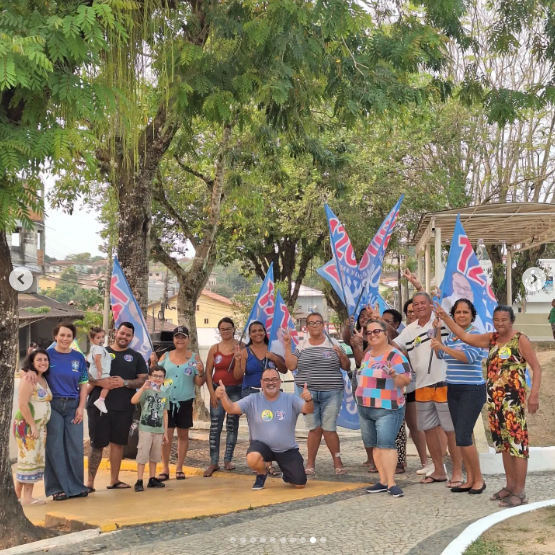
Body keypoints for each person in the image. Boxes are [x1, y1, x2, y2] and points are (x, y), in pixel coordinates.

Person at [434, 303, 542, 507]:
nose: (500, 323)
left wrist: (533, 394)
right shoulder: (491, 339)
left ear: (511, 321)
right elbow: (465, 337)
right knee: (503, 444)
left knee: (517, 445)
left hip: (513, 402)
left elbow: (536, 367)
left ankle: (520, 490)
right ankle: (509, 486)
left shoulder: (520, 339)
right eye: (496, 320)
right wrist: (445, 318)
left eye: (504, 320)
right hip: (495, 402)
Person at [392, 292, 464, 487]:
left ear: (430, 304)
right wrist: (377, 327)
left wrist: (419, 286)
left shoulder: (439, 320)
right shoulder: (409, 330)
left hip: (444, 382)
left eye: (423, 303)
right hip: (422, 385)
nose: (419, 306)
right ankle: (439, 470)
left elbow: (457, 331)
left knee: (450, 430)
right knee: (429, 429)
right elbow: (393, 346)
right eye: (416, 304)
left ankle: (457, 471)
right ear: (412, 308)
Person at [215, 368, 314, 490]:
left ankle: (287, 474)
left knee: (300, 484)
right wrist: (223, 396)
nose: (270, 383)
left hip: (286, 449)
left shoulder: (290, 399)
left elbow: (308, 409)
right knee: (253, 456)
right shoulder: (252, 399)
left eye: (274, 379)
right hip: (262, 446)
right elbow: (231, 409)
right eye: (266, 380)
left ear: (279, 382)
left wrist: (309, 399)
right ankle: (261, 473)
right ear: (261, 383)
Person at [430, 299, 487, 494]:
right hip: (453, 388)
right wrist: (438, 331)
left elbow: (468, 358)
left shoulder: (475, 334)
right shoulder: (453, 337)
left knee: (462, 435)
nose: (461, 315)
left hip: (471, 390)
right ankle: (470, 479)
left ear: (472, 315)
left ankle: (479, 479)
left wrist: (444, 347)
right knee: (462, 436)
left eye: (465, 312)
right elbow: (439, 355)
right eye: (458, 312)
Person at [284, 312, 350, 475]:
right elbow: (291, 366)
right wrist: (286, 346)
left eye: (318, 322)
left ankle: (337, 461)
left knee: (329, 428)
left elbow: (347, 366)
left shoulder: (333, 342)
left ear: (323, 325)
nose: (314, 325)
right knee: (314, 428)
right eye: (311, 323)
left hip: (332, 392)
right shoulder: (302, 345)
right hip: (308, 394)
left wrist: (340, 353)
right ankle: (310, 462)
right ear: (306, 327)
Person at [86, 322, 148, 491]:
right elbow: (86, 375)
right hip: (98, 406)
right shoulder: (101, 351)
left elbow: (143, 379)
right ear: (116, 332)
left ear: (132, 338)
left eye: (128, 335)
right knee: (96, 444)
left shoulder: (136, 357)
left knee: (118, 443)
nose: (124, 337)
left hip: (123, 407)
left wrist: (125, 382)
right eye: (122, 333)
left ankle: (114, 480)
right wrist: (101, 381)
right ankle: (89, 483)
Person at [356, 320, 411, 497]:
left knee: (386, 444)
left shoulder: (395, 356)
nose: (372, 335)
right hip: (365, 408)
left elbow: (406, 381)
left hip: (388, 408)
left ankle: (392, 483)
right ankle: (382, 480)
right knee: (374, 446)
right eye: (369, 333)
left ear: (386, 333)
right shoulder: (368, 355)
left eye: (376, 331)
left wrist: (394, 374)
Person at [43, 323, 89, 500]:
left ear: (73, 338)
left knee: (75, 447)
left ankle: (77, 487)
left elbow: (83, 384)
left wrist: (80, 408)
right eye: (62, 335)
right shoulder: (47, 355)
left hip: (73, 407)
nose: (65, 339)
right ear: (55, 336)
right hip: (52, 405)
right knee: (55, 448)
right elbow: (31, 372)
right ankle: (57, 489)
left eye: (69, 336)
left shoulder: (78, 357)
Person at [156, 326, 205, 481]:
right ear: (173, 340)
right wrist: (152, 364)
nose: (180, 340)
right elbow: (156, 376)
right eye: (177, 337)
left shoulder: (194, 358)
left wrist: (201, 372)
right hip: (167, 401)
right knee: (167, 436)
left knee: (183, 434)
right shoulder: (165, 356)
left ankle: (179, 467)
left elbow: (199, 382)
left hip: (185, 401)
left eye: (183, 337)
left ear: (188, 339)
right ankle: (165, 467)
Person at [204, 317, 242, 477]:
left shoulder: (241, 347)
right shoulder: (214, 348)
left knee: (232, 426)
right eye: (222, 329)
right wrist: (212, 394)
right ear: (219, 331)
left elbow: (242, 371)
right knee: (215, 426)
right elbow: (207, 372)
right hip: (217, 391)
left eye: (228, 328)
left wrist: (239, 357)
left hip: (236, 390)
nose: (225, 331)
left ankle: (228, 459)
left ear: (234, 329)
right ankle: (214, 462)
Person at [13, 350, 52, 505]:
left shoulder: (43, 379)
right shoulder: (29, 379)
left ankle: (17, 495)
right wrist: (33, 426)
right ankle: (27, 498)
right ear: (32, 362)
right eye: (39, 360)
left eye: (45, 359)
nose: (43, 362)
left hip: (39, 428)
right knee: (27, 461)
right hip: (28, 427)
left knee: (33, 461)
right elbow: (23, 405)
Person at [341, 307, 377, 470]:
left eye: (367, 316)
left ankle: (380, 458)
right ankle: (370, 457)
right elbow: (360, 363)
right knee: (366, 420)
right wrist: (347, 326)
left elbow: (366, 363)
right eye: (361, 316)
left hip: (377, 381)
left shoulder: (378, 337)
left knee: (378, 420)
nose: (364, 318)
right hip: (360, 379)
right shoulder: (356, 336)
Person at [131, 365, 169, 492]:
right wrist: (143, 387)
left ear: (164, 379)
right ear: (150, 377)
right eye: (155, 376)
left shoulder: (164, 395)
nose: (158, 378)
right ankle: (139, 479)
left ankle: (152, 478)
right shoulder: (145, 392)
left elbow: (165, 413)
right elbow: (134, 400)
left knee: (155, 456)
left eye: (160, 376)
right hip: (145, 428)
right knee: (142, 454)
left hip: (158, 430)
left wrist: (165, 431)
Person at [86, 327, 112, 414]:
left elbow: (88, 358)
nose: (101, 339)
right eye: (98, 338)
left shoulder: (93, 348)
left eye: (102, 337)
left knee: (92, 385)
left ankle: (83, 396)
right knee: (108, 384)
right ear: (92, 339)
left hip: (93, 371)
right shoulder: (98, 348)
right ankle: (101, 400)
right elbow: (97, 359)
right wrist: (100, 371)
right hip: (99, 371)